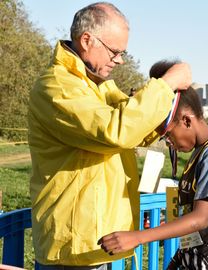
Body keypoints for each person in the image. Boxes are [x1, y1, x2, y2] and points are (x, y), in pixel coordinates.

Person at [28, 2, 192, 269]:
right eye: (115, 52)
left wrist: (165, 112)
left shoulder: (96, 87)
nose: (120, 60)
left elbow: (134, 128)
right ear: (87, 40)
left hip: (95, 242)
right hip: (72, 248)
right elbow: (115, 131)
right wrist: (165, 85)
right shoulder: (57, 86)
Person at [99, 60, 208, 270]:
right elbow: (193, 231)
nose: (169, 143)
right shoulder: (197, 156)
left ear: (186, 121)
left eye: (167, 135)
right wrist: (177, 259)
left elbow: (199, 219)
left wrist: (138, 237)